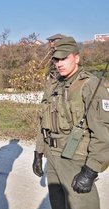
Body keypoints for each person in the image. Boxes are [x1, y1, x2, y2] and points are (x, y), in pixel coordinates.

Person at [32, 36, 109, 209]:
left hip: (76, 159)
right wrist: (39, 151)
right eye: (56, 59)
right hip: (52, 157)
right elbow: (43, 121)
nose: (59, 64)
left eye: (64, 58)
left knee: (82, 205)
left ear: (76, 58)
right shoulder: (54, 85)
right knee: (58, 205)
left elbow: (104, 133)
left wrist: (91, 170)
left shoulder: (90, 85)